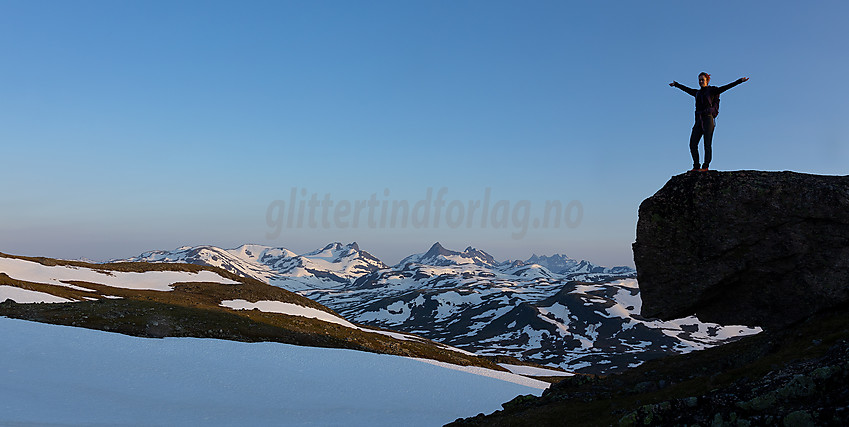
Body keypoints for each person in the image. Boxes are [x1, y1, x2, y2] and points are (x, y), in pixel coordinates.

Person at [670, 73, 748, 171]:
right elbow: (687, 89)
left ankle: (705, 166)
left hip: (708, 119)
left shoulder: (712, 90)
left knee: (707, 143)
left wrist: (739, 81)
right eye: (699, 80)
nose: (701, 82)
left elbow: (726, 87)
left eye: (702, 80)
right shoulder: (697, 92)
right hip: (698, 120)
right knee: (692, 144)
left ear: (707, 80)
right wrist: (676, 85)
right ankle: (696, 166)